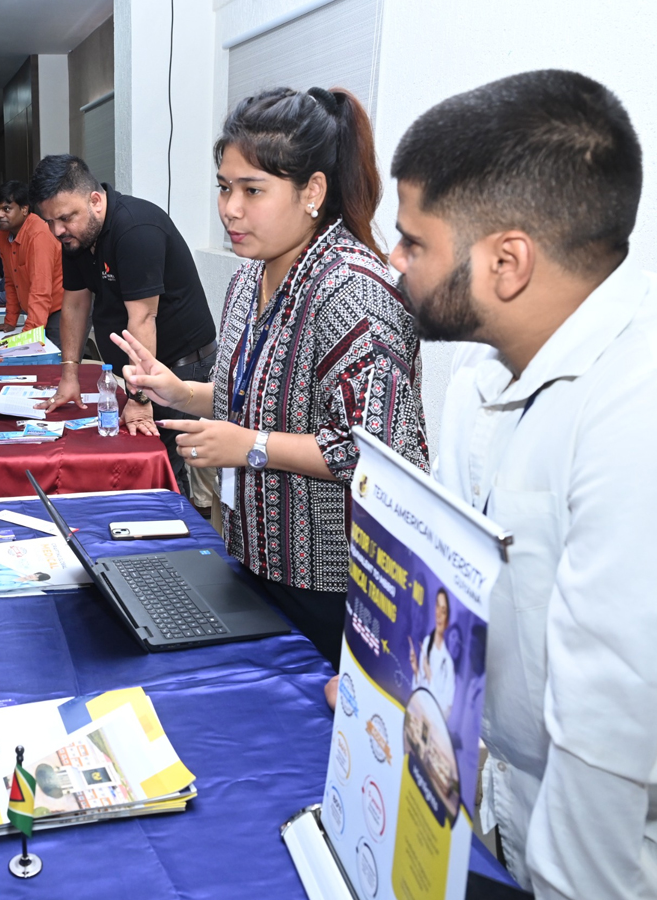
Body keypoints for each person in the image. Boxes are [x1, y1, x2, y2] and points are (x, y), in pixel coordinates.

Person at [390, 69, 657, 898]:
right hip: (495, 807)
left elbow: (606, 729)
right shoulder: (485, 376)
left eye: (415, 242)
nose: (394, 259)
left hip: (608, 861)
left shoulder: (653, 400)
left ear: (506, 260)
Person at [114, 87, 426, 667]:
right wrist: (179, 392)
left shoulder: (353, 290)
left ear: (312, 191)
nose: (230, 208)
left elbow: (378, 453)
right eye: (224, 187)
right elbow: (257, 397)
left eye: (252, 190)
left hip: (329, 578)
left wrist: (251, 447)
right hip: (252, 550)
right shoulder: (248, 279)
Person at [30, 154, 218, 500]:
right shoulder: (75, 238)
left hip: (181, 366)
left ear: (95, 200)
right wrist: (69, 373)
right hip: (140, 369)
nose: (58, 230)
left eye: (66, 218)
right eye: (49, 221)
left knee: (163, 468)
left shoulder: (135, 229)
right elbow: (74, 304)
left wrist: (140, 397)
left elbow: (143, 319)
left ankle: (178, 536)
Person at [0, 180, 64, 348]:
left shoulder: (39, 236)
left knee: (52, 366)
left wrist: (29, 335)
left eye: (6, 209)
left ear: (24, 209)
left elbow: (40, 290)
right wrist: (10, 321)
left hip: (59, 311)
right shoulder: (4, 235)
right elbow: (11, 281)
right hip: (35, 312)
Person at [409, 588, 455, 716]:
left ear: (448, 620)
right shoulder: (427, 642)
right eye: (437, 606)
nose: (438, 614)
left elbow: (445, 711)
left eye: (443, 611)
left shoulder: (448, 664)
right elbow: (417, 690)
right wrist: (416, 671)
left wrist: (430, 677)